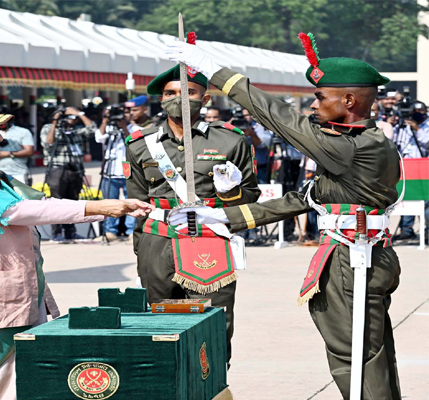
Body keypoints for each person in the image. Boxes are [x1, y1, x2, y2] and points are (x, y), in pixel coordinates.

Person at [167, 32, 402, 399]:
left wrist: (215, 71)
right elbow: (304, 199)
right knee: (370, 355)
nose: (313, 106)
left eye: (320, 97)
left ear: (350, 100)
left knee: (354, 357)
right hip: (360, 252)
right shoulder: (361, 143)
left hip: (353, 259)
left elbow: (281, 118)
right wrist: (224, 219)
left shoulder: (350, 147)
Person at [0, 98, 152, 400]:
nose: (0, 138)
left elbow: (42, 206)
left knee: (18, 387)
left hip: (16, 297)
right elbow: (13, 212)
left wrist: (112, 208)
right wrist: (100, 206)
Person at [125, 58, 260, 364]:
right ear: (162, 99)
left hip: (209, 239)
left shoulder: (231, 140)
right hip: (157, 242)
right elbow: (137, 203)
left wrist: (231, 191)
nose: (179, 99)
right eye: (171, 93)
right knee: (160, 322)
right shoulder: (139, 144)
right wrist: (141, 249)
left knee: (213, 320)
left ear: (205, 98)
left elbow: (250, 196)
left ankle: (212, 383)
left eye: (189, 93)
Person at [40, 106, 98, 242]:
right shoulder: (49, 127)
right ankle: (56, 233)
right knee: (57, 202)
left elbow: (92, 130)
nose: (74, 119)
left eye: (74, 117)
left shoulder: (74, 130)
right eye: (70, 116)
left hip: (75, 169)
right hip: (57, 169)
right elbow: (48, 142)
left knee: (73, 202)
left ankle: (71, 232)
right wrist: (55, 122)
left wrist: (80, 113)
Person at [95, 98, 142, 241]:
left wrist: (124, 127)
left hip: (130, 172)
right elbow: (99, 138)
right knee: (109, 202)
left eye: (125, 113)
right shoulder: (109, 128)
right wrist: (105, 120)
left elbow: (134, 143)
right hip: (110, 171)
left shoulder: (136, 129)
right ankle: (110, 232)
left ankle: (131, 231)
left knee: (132, 202)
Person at [392, 100, 429, 241]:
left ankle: (427, 232)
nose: (418, 115)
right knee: (408, 197)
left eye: (421, 111)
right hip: (407, 168)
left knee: (426, 200)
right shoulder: (402, 126)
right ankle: (407, 231)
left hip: (424, 168)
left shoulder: (426, 125)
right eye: (415, 112)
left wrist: (417, 130)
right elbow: (394, 143)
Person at [0, 105, 35, 184]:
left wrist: (8, 153)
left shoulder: (23, 132)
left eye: (3, 119)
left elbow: (29, 151)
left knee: (22, 196)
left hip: (18, 172)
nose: (1, 122)